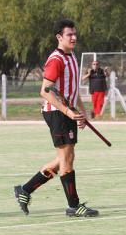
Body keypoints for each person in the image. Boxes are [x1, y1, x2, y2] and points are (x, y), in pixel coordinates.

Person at [13, 19, 99, 217]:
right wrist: (69, 112)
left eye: (75, 34)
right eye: (69, 34)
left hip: (67, 112)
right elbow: (45, 91)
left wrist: (82, 112)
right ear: (59, 37)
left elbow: (73, 89)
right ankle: (74, 206)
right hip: (56, 112)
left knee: (64, 158)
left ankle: (25, 190)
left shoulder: (72, 56)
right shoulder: (56, 60)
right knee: (67, 159)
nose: (74, 37)